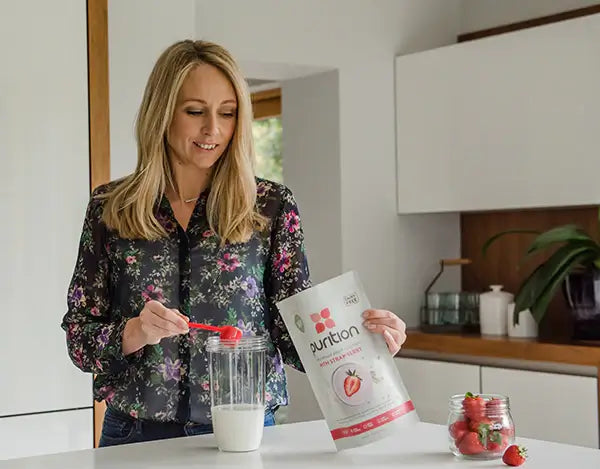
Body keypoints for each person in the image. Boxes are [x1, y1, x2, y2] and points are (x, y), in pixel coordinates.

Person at [61, 39, 407, 447]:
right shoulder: (110, 208)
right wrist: (136, 330)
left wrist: (364, 341)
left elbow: (292, 332)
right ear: (162, 112)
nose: (213, 129)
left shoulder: (271, 207)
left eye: (227, 113)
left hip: (247, 437)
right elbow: (80, 340)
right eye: (195, 112)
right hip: (136, 435)